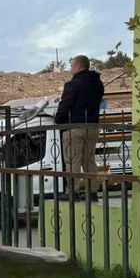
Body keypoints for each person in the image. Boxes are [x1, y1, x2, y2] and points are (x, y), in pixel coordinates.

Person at [54, 55, 104, 200]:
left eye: (72, 66)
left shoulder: (73, 84)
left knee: (72, 160)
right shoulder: (98, 83)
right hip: (92, 126)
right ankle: (92, 191)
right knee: (89, 160)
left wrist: (58, 119)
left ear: (78, 66)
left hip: (74, 127)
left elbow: (65, 105)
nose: (71, 69)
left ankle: (72, 192)